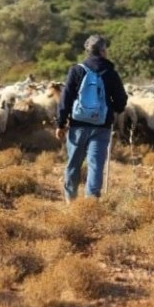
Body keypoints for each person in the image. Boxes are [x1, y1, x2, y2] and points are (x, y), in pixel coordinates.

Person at [55, 35, 128, 203]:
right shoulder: (110, 72)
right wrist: (114, 109)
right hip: (101, 126)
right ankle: (91, 203)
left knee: (73, 164)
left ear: (88, 51)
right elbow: (121, 101)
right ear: (103, 51)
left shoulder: (76, 70)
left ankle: (70, 201)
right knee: (95, 165)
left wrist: (60, 123)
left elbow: (65, 98)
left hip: (78, 125)